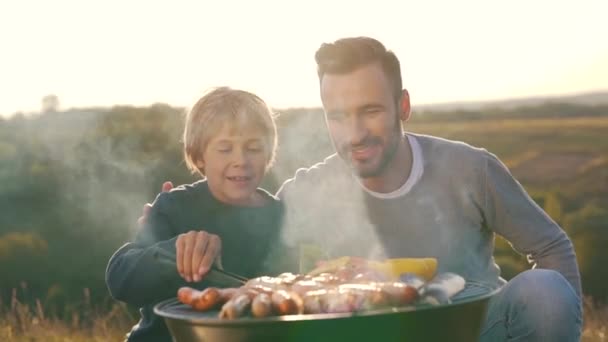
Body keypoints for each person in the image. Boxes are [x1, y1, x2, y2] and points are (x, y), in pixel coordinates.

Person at [145, 37, 583, 341]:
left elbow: (552, 248)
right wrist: (176, 213)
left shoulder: (471, 170)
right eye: (337, 116)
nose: (354, 133)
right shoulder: (309, 191)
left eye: (369, 111)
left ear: (403, 106)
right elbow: (249, 228)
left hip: (471, 330)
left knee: (544, 291)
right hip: (370, 337)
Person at [105, 87, 284, 342]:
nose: (240, 160)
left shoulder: (280, 217)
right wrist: (173, 252)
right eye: (225, 149)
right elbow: (121, 278)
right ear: (200, 157)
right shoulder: (175, 207)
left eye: (253, 148)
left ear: (268, 154)